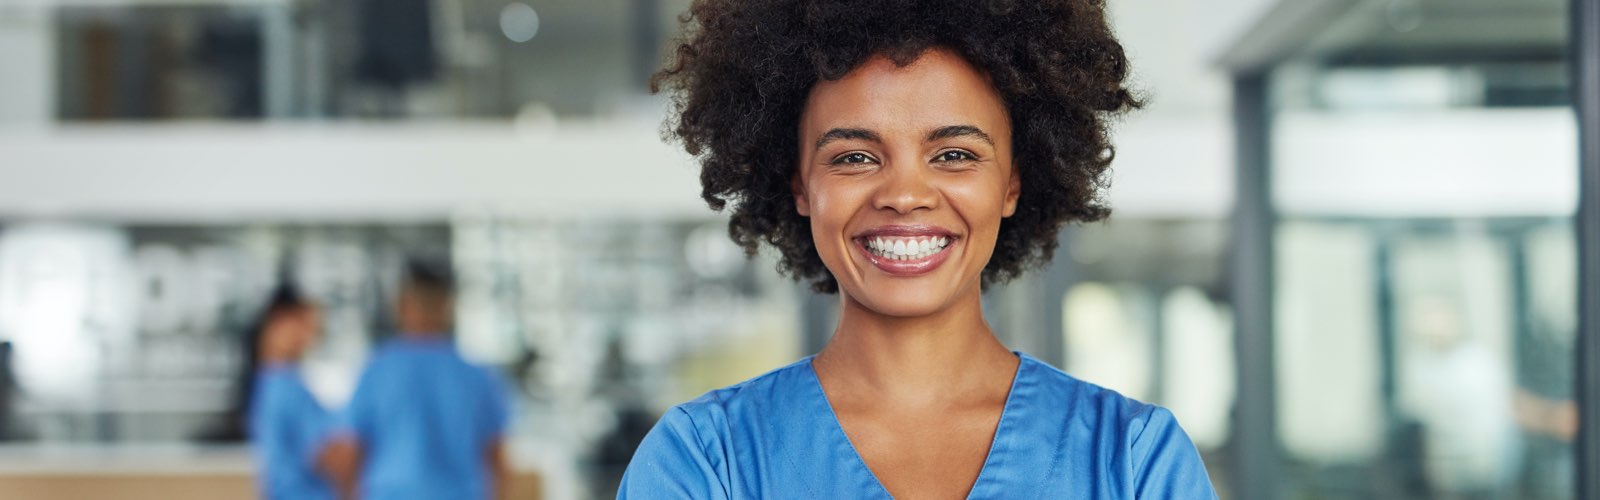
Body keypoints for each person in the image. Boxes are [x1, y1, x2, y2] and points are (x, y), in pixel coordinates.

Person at [620, 0, 1218, 497]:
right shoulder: (704, 463)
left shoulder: (1135, 463)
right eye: (854, 156)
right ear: (800, 184)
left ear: (1012, 181)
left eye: (954, 154)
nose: (905, 195)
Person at [344, 263, 511, 500]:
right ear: (447, 307)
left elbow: (352, 451)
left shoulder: (376, 371)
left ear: (401, 306)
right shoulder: (476, 375)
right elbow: (497, 458)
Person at [249, 287, 357, 500]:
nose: (309, 336)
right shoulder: (283, 387)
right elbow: (331, 457)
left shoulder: (269, 383)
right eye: (304, 324)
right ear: (280, 321)